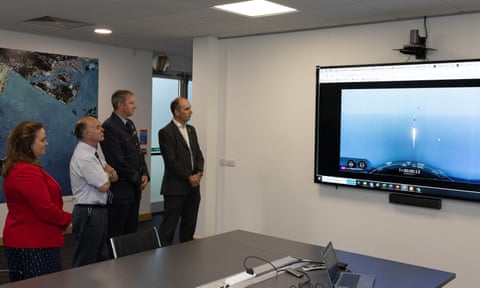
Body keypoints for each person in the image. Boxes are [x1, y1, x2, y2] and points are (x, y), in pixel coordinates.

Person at [0, 121, 71, 281]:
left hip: (31, 241)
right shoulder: (26, 172)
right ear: (28, 144)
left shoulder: (21, 168)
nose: (46, 143)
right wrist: (68, 219)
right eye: (42, 140)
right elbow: (45, 208)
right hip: (33, 244)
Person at [69, 116, 118, 267]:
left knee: (100, 256)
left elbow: (113, 174)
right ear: (87, 134)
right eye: (97, 127)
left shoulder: (93, 153)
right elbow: (104, 185)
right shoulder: (84, 157)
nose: (102, 129)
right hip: (89, 212)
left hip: (97, 211)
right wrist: (107, 175)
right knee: (86, 258)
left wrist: (107, 174)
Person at [100, 90, 149, 238]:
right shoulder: (109, 126)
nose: (135, 106)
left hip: (134, 189)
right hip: (121, 189)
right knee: (117, 232)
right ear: (120, 105)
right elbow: (117, 160)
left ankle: (129, 261)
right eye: (131, 103)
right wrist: (137, 178)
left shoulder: (130, 124)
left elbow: (138, 152)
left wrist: (145, 174)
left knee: (131, 231)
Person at [158, 97, 204, 246]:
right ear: (177, 112)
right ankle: (163, 260)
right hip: (175, 188)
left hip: (193, 188)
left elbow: (198, 154)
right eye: (187, 109)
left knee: (189, 227)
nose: (191, 112)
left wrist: (199, 173)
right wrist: (188, 176)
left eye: (190, 108)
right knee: (168, 228)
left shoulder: (191, 130)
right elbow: (171, 161)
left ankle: (186, 260)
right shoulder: (166, 132)